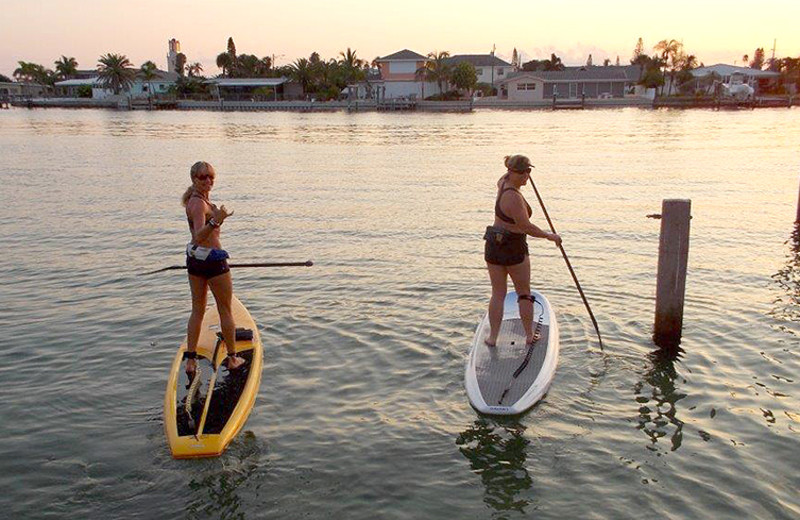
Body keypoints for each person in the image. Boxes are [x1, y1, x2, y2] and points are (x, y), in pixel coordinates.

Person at [483, 154, 562, 347]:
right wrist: (550, 236)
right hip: (512, 247)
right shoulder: (514, 198)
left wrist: (513, 164)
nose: (527, 176)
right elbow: (526, 227)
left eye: (529, 172)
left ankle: (493, 338)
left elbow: (509, 171)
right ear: (514, 172)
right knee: (524, 293)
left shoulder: (502, 182)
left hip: (493, 243)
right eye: (524, 172)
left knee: (498, 293)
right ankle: (528, 335)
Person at [181, 161, 245, 379]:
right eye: (203, 177)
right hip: (212, 261)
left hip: (195, 262)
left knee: (197, 309)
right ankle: (234, 358)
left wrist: (217, 219)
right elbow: (199, 236)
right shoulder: (198, 203)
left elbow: (202, 234)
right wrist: (217, 220)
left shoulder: (197, 200)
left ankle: (190, 360)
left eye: (211, 177)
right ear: (193, 179)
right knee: (225, 309)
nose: (208, 181)